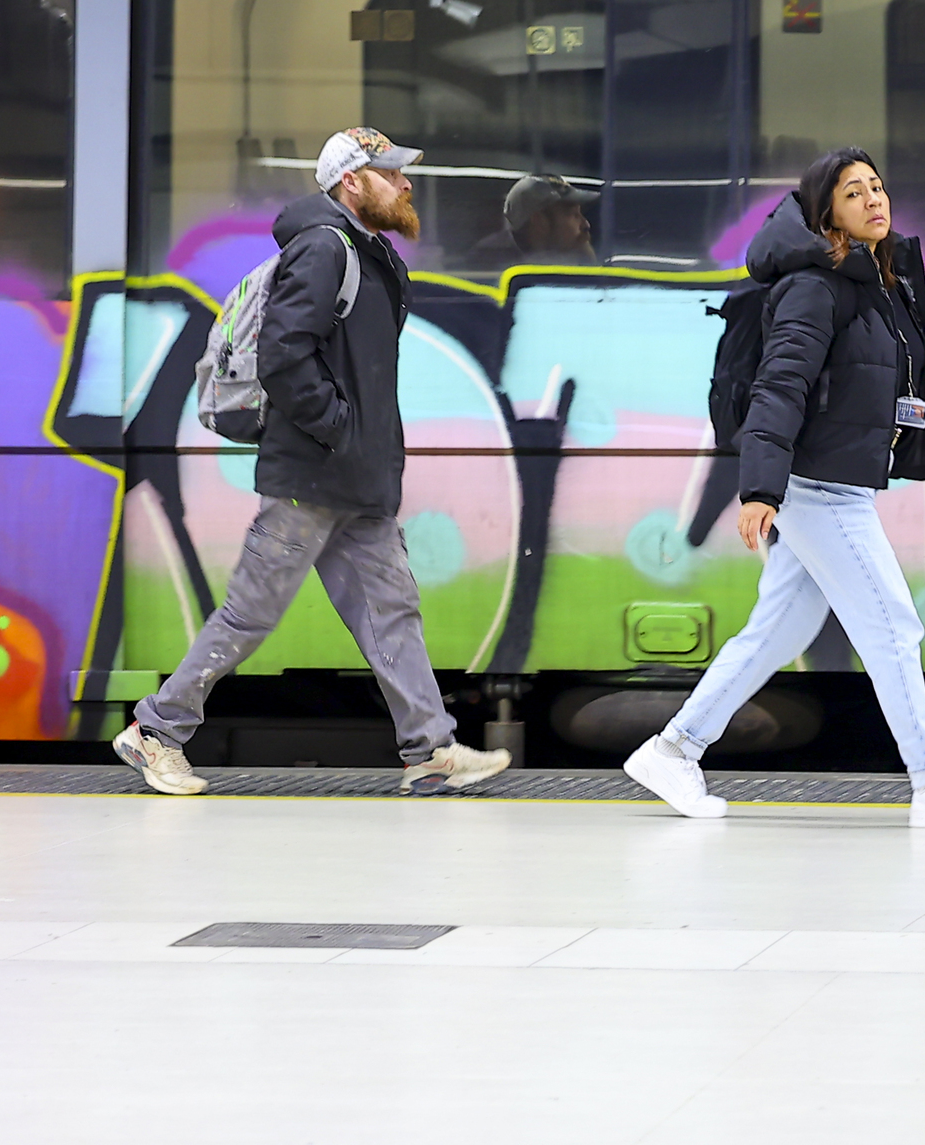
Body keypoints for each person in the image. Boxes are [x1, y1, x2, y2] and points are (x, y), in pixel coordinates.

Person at [623, 147, 925, 830]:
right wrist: (760, 488)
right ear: (826, 215)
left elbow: (920, 389)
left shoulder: (881, 283)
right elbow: (781, 386)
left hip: (839, 486)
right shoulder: (816, 286)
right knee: (893, 625)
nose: (873, 199)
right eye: (852, 193)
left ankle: (673, 751)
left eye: (876, 186)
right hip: (815, 489)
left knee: (777, 630)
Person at [114, 128, 514, 797]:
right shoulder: (326, 248)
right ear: (352, 183)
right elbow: (283, 353)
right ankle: (156, 731)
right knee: (251, 613)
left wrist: (359, 445)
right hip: (312, 476)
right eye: (389, 172)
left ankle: (429, 750)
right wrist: (339, 428)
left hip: (355, 476)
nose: (406, 182)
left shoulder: (365, 251)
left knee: (392, 610)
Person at [466, 173, 598, 269]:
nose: (585, 225)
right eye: (573, 215)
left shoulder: (571, 254)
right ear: (539, 221)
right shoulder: (489, 258)